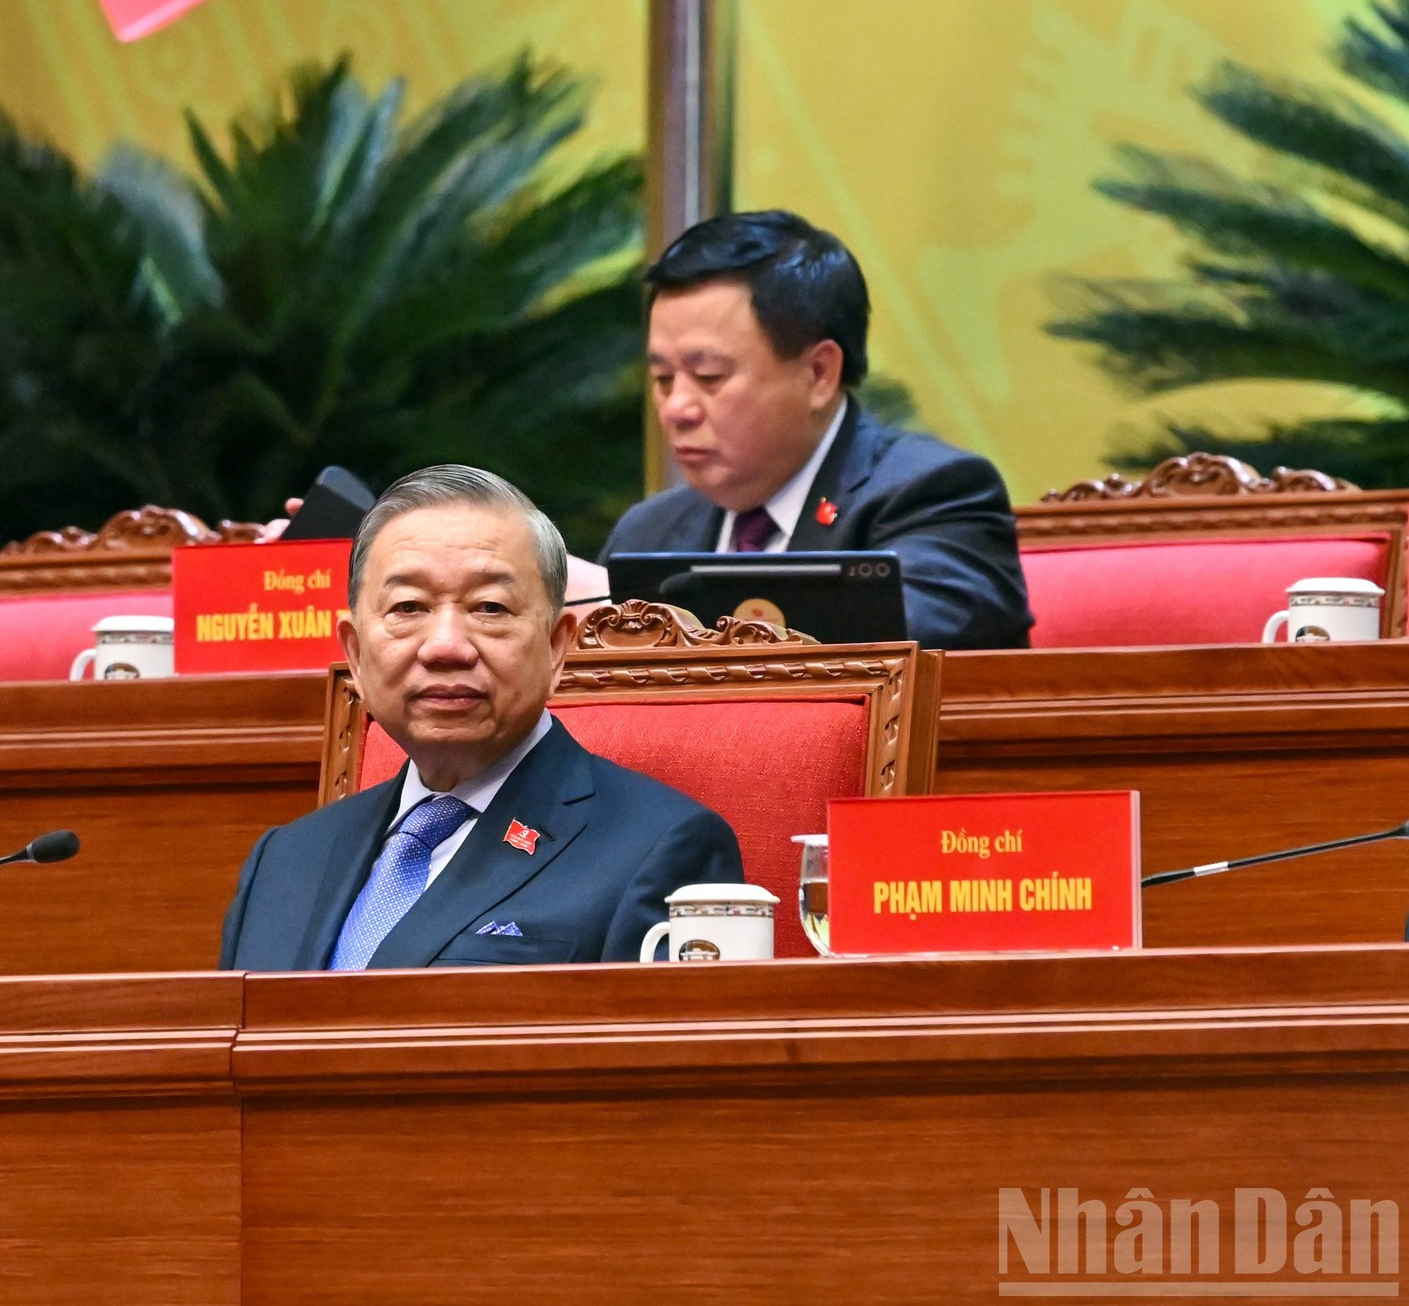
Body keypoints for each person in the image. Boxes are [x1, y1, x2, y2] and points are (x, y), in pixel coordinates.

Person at [220, 464, 743, 971]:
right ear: (355, 655)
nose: (446, 646)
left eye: (490, 608)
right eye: (408, 607)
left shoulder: (661, 850)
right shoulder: (284, 860)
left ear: (557, 648)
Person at [601, 210, 1032, 650]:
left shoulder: (934, 495)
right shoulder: (648, 532)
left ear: (819, 374)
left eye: (709, 375)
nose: (677, 408)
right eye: (663, 379)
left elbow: (891, 642)